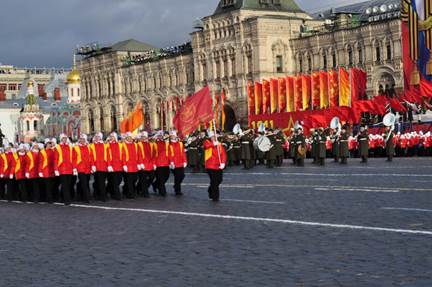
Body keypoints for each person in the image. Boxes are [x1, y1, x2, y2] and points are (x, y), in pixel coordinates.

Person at [203, 131, 227, 202]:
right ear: (210, 137)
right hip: (210, 165)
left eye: (215, 136)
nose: (214, 137)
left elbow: (223, 154)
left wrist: (223, 163)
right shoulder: (207, 142)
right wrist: (213, 144)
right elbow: (206, 146)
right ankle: (215, 197)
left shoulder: (219, 144)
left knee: (219, 180)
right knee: (214, 181)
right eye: (213, 136)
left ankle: (210, 189)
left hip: (218, 165)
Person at [89, 133, 110, 202]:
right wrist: (92, 165)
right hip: (96, 166)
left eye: (98, 137)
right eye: (96, 137)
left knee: (101, 182)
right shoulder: (91, 146)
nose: (97, 138)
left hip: (103, 166)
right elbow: (91, 156)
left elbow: (108, 156)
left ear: (101, 137)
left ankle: (100, 195)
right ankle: (99, 195)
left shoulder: (105, 145)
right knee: (98, 181)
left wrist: (108, 165)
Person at [54, 134, 74, 205]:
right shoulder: (58, 147)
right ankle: (67, 200)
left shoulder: (70, 147)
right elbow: (56, 159)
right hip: (61, 169)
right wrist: (56, 169)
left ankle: (63, 197)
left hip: (69, 168)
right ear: (61, 139)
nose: (64, 139)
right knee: (65, 185)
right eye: (63, 138)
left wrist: (74, 168)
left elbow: (73, 158)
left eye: (65, 138)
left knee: (68, 185)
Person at [73, 134, 92, 203]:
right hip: (80, 167)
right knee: (84, 183)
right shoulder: (76, 147)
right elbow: (74, 158)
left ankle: (79, 194)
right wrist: (74, 167)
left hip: (88, 168)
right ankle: (86, 198)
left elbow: (91, 157)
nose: (82, 140)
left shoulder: (89, 147)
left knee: (86, 182)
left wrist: (92, 166)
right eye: (81, 139)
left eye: (83, 139)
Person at [121, 132, 139, 199]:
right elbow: (123, 155)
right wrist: (124, 165)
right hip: (128, 165)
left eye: (130, 138)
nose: (130, 139)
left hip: (134, 165)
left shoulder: (135, 145)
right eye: (128, 138)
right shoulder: (123, 145)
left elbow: (138, 154)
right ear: (126, 138)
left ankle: (125, 189)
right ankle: (130, 193)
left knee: (135, 179)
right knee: (129, 180)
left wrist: (139, 163)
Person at [136, 131, 155, 198]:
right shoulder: (138, 144)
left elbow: (153, 154)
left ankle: (138, 188)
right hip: (142, 164)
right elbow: (138, 155)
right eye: (142, 137)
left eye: (145, 137)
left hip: (150, 164)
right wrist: (140, 163)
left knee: (152, 177)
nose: (143, 138)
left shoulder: (151, 144)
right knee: (143, 179)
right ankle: (145, 192)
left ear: (147, 137)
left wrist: (154, 163)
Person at [169, 130, 187, 196]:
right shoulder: (169, 144)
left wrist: (185, 161)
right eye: (171, 136)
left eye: (173, 136)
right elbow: (169, 154)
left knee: (182, 176)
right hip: (173, 163)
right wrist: (171, 162)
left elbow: (183, 153)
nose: (172, 137)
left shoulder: (180, 143)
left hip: (180, 162)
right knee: (177, 177)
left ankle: (176, 185)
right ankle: (177, 191)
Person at [106, 132, 123, 200]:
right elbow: (106, 155)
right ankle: (117, 195)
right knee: (115, 181)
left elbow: (122, 154)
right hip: (112, 166)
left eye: (113, 136)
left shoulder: (120, 145)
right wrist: (109, 165)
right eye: (110, 136)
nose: (111, 138)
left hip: (119, 165)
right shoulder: (107, 145)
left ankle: (108, 190)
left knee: (119, 179)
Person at [154, 131, 171, 197]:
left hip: (166, 162)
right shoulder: (155, 143)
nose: (161, 137)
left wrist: (170, 161)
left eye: (161, 136)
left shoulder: (166, 142)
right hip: (158, 163)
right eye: (159, 136)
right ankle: (162, 191)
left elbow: (169, 151)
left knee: (166, 176)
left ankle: (155, 184)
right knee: (160, 178)